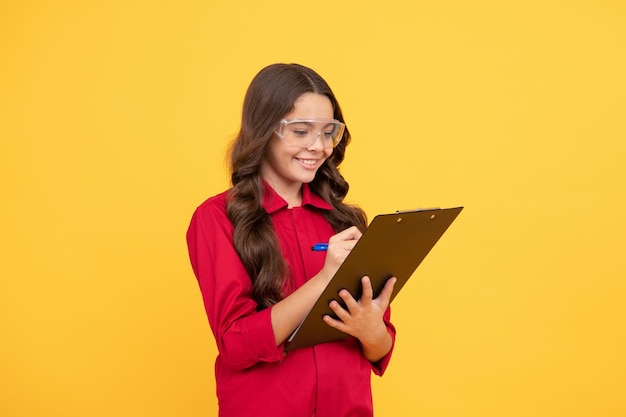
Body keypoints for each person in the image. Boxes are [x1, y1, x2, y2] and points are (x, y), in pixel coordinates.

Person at [186, 63, 397, 417]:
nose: (319, 147)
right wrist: (322, 282)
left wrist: (370, 329)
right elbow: (235, 345)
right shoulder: (216, 219)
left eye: (329, 132)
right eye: (300, 131)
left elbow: (380, 348)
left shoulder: (344, 221)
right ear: (264, 131)